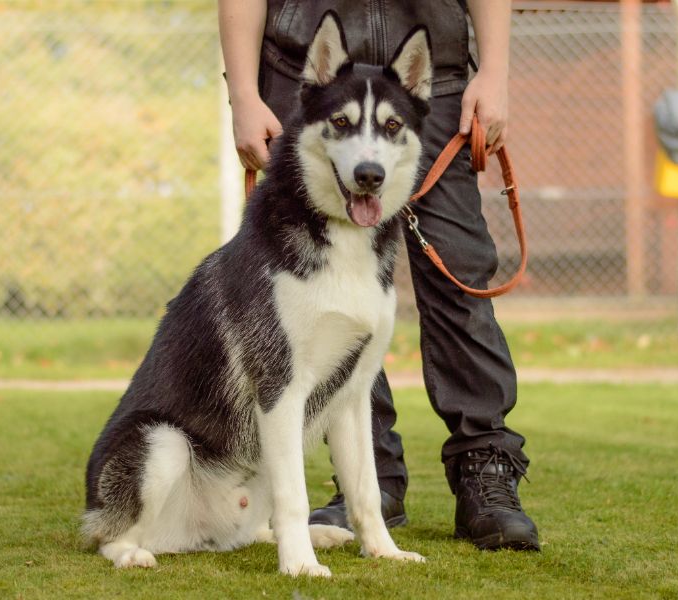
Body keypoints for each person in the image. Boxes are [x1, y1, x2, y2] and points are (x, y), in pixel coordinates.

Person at [218, 0, 539, 551]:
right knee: (324, 302)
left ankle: (486, 471)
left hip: (430, 79)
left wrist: (496, 70)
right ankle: (371, 488)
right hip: (306, 71)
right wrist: (244, 93)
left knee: (457, 271)